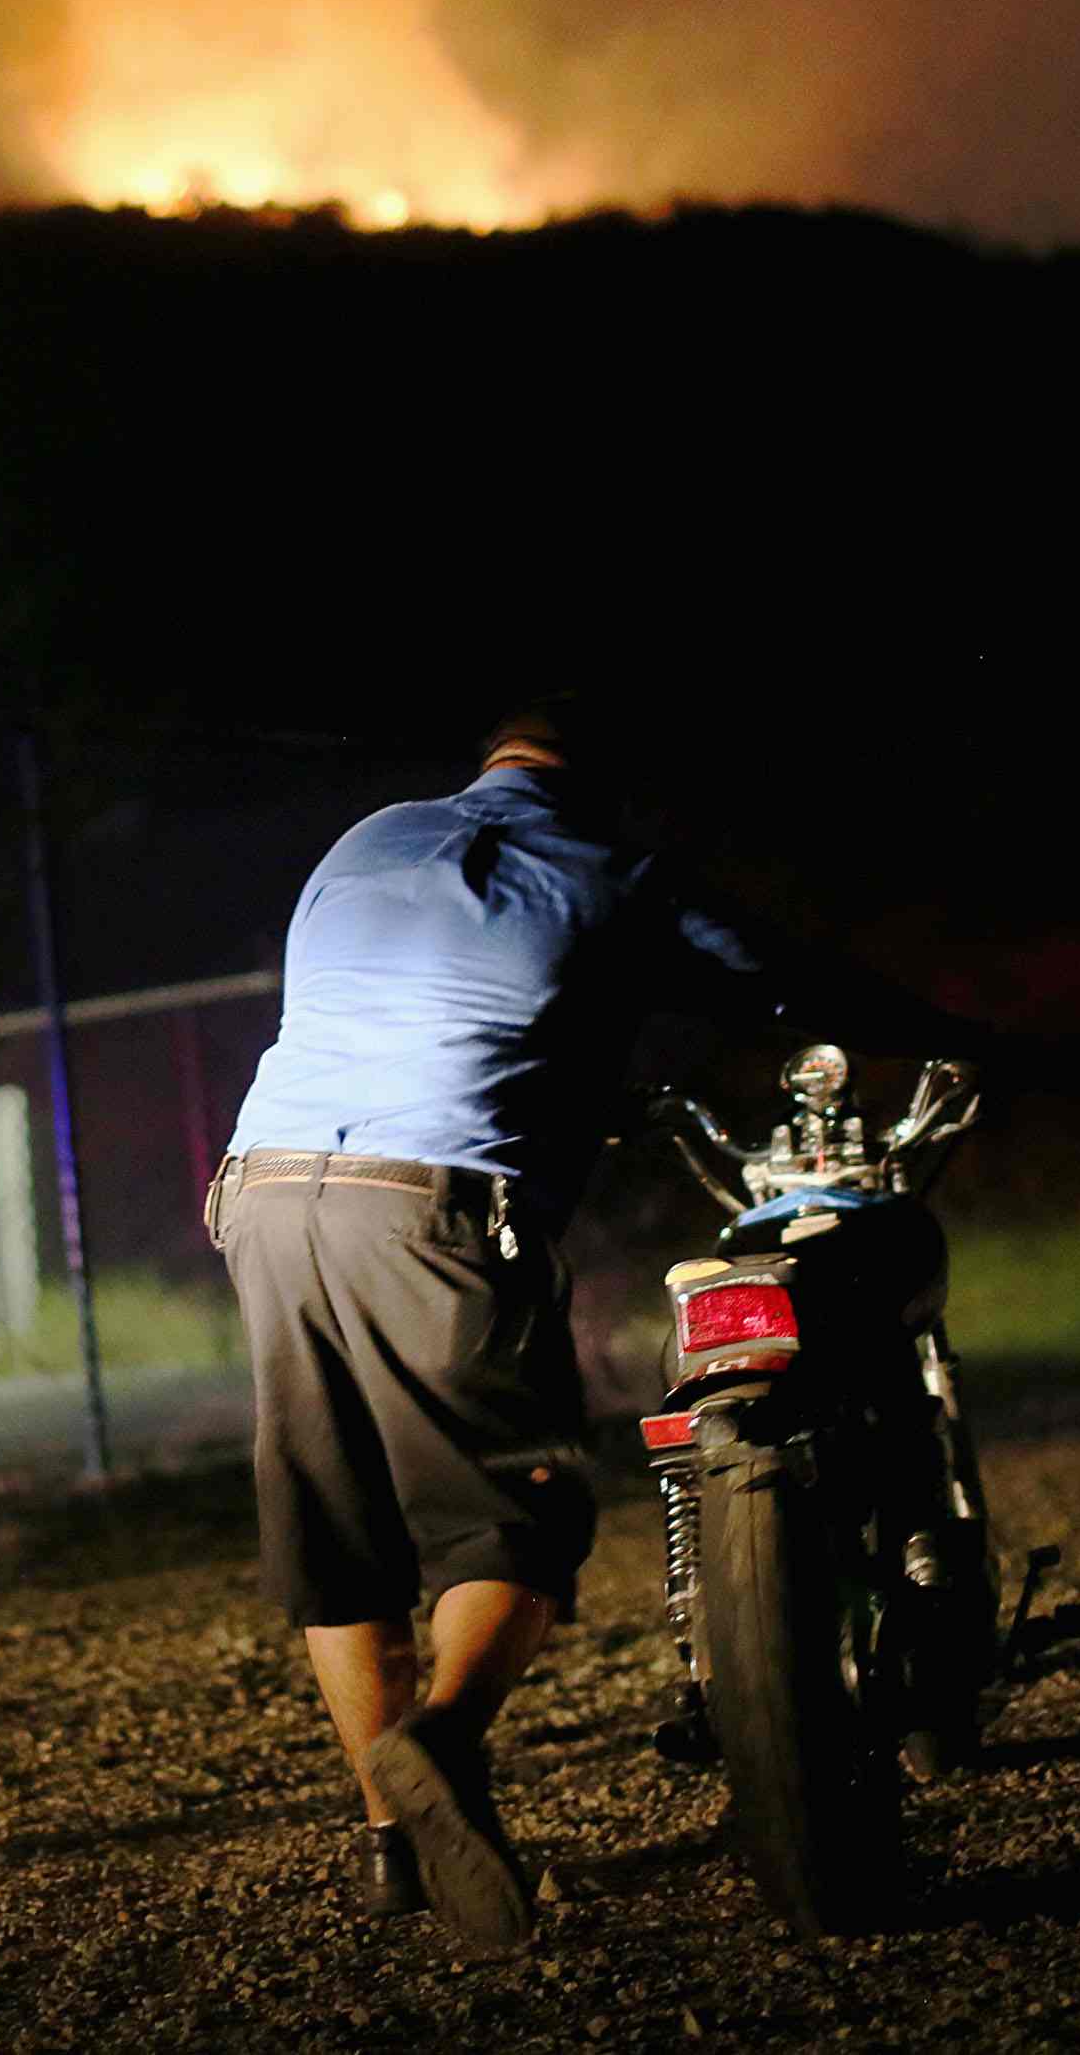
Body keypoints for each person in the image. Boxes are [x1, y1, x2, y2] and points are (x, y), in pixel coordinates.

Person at [210, 694, 969, 1948]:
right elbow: (780, 984)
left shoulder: (368, 839)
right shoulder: (613, 868)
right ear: (608, 783)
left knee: (337, 1534)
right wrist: (941, 1033)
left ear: (491, 761)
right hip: (434, 1206)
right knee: (512, 1524)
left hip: (263, 1191)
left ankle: (393, 1851)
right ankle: (440, 1743)